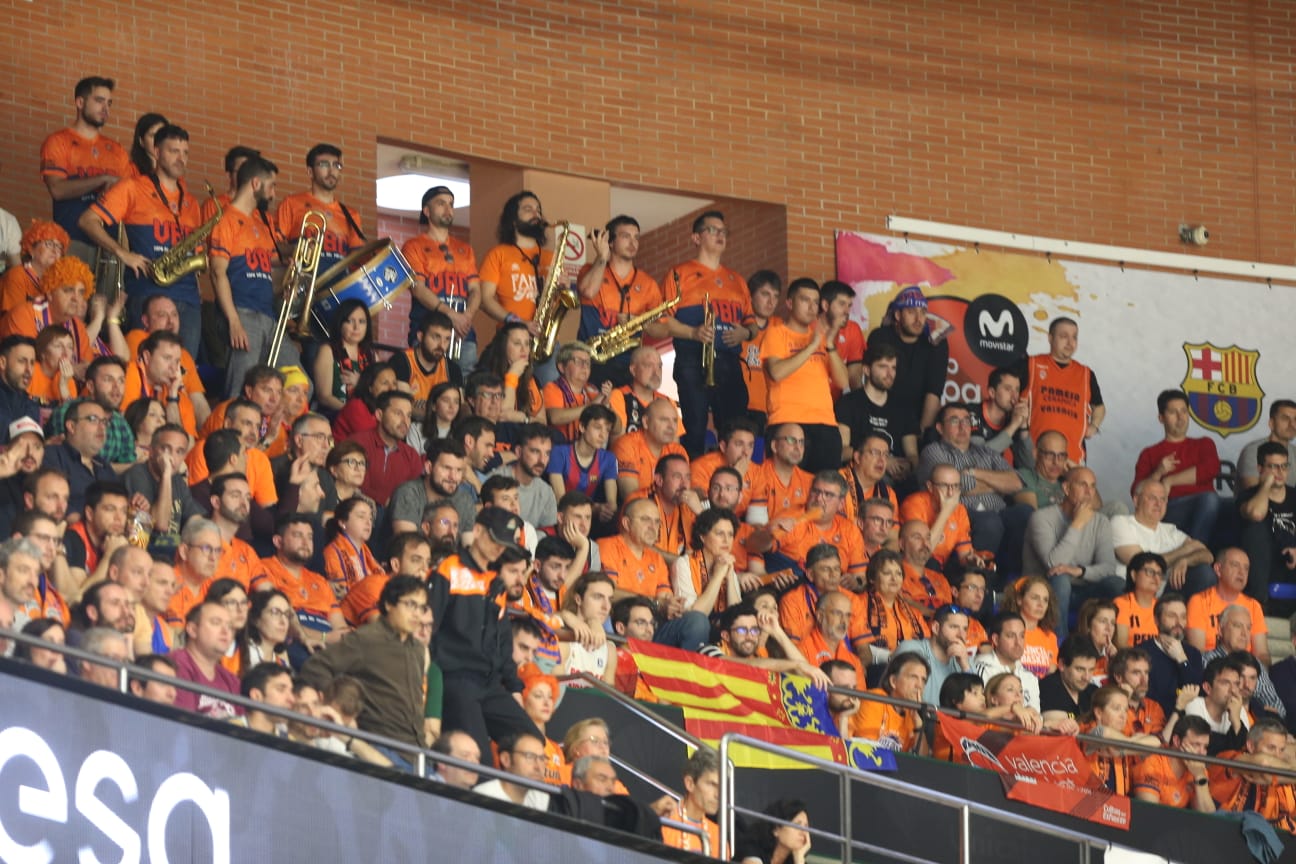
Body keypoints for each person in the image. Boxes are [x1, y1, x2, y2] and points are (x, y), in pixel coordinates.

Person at [78, 124, 204, 357]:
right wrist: (122, 253)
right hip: (147, 293)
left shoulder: (192, 203)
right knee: (144, 364)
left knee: (185, 374)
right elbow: (87, 220)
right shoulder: (132, 188)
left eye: (185, 152)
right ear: (156, 152)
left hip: (188, 300)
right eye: (173, 151)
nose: (181, 158)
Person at [429, 508, 544, 761]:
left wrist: (513, 687)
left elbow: (503, 642)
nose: (498, 548)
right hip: (456, 679)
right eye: (494, 540)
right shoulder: (449, 570)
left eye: (503, 544)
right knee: (480, 761)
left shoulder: (495, 581)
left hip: (489, 683)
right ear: (478, 531)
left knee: (533, 743)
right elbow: (428, 628)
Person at [299, 576, 431, 764]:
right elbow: (315, 667)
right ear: (389, 605)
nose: (417, 614)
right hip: (381, 748)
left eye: (422, 607)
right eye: (411, 605)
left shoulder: (418, 649)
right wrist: (341, 707)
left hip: (419, 754)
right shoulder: (367, 639)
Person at [659, 211, 757, 457]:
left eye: (723, 231)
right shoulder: (678, 274)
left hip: (729, 361)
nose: (720, 235)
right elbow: (662, 320)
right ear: (696, 238)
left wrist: (745, 332)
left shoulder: (737, 280)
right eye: (713, 230)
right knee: (694, 427)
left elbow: (753, 325)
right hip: (693, 357)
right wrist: (693, 332)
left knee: (734, 428)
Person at [210, 155, 292, 395]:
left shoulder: (260, 224)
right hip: (243, 314)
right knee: (241, 388)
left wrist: (287, 280)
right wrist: (233, 321)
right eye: (272, 186)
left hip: (269, 315)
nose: (273, 194)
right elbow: (217, 273)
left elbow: (264, 275)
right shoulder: (226, 220)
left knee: (298, 383)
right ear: (255, 184)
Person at [917, 403, 1025, 567]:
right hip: (957, 514)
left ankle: (1008, 580)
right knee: (990, 521)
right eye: (954, 421)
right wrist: (996, 484)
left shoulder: (986, 452)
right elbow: (953, 489)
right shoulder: (933, 451)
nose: (962, 426)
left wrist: (974, 473)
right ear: (939, 428)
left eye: (967, 421)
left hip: (997, 511)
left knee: (1024, 513)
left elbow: (1016, 483)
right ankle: (978, 576)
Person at [597, 497, 710, 651]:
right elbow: (609, 592)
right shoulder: (607, 546)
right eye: (645, 520)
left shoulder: (656, 558)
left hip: (652, 627)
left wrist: (670, 605)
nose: (653, 527)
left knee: (697, 621)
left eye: (657, 522)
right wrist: (655, 603)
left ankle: (681, 674)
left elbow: (664, 596)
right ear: (626, 523)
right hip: (620, 626)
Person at [1022, 466, 1123, 637]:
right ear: (1066, 488)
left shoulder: (1101, 521)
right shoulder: (1041, 517)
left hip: (1083, 589)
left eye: (1092, 486)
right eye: (1082, 485)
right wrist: (1077, 524)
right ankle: (1059, 642)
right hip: (1047, 589)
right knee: (1060, 578)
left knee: (1116, 583)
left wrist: (1079, 571)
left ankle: (1106, 643)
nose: (1089, 492)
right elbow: (1053, 564)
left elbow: (1108, 567)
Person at [761, 278, 848, 474]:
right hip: (788, 421)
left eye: (815, 302)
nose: (811, 307)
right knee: (789, 490)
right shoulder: (776, 333)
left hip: (826, 424)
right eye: (805, 300)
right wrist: (811, 346)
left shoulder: (822, 338)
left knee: (825, 492)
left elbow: (842, 382)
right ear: (790, 303)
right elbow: (776, 372)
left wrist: (830, 344)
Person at [40, 76, 133, 258]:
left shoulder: (117, 150)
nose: (105, 108)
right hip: (71, 241)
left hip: (110, 245)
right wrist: (102, 179)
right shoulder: (58, 141)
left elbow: (129, 199)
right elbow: (57, 189)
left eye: (109, 103)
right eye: (99, 101)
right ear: (80, 102)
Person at [576, 215, 670, 386]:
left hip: (629, 363)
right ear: (610, 242)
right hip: (591, 360)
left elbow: (662, 329)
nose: (633, 242)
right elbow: (588, 291)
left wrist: (638, 323)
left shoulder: (648, 283)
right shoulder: (590, 270)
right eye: (626, 236)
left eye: (636, 237)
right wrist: (602, 256)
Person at [402, 185, 480, 371]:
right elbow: (418, 289)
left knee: (463, 385)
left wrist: (466, 317)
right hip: (428, 329)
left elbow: (476, 289)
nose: (448, 209)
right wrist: (453, 315)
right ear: (427, 211)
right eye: (441, 203)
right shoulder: (413, 246)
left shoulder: (465, 249)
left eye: (451, 204)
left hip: (463, 333)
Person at [1132, 389, 1222, 545]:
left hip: (1206, 508)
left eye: (1184, 411)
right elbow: (1137, 492)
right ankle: (1194, 552)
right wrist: (1158, 473)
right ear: (1161, 418)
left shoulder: (1204, 443)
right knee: (1210, 499)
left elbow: (1212, 468)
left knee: (1238, 507)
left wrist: (1170, 480)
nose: (1180, 417)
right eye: (1173, 412)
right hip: (1171, 508)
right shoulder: (1150, 453)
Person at [865, 285, 948, 442]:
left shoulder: (936, 342)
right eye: (911, 312)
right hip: (881, 415)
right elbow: (874, 384)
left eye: (923, 313)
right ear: (897, 315)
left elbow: (934, 392)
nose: (919, 319)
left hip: (918, 419)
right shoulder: (880, 336)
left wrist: (920, 435)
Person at [258, 514, 349, 649]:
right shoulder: (263, 569)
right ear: (278, 541)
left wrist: (330, 637)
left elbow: (342, 630)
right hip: (290, 641)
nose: (306, 543)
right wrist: (325, 636)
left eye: (309, 537)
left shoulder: (320, 581)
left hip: (329, 647)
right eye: (298, 536)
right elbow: (274, 622)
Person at [1022, 316, 1105, 464]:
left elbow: (1099, 407)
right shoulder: (1031, 364)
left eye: (1074, 337)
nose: (1070, 342)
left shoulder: (1085, 373)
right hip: (1036, 457)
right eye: (1063, 336)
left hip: (1073, 459)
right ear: (1050, 338)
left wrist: (1094, 426)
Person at [1112, 480, 1215, 597]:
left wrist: (1186, 560)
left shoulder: (1170, 530)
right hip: (1133, 592)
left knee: (1203, 572)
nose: (1158, 504)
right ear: (1136, 501)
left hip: (1168, 593)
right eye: (1152, 498)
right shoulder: (1121, 522)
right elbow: (1142, 564)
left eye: (1163, 499)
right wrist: (1184, 551)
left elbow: (1208, 556)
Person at [274, 143, 364, 276]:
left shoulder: (351, 215)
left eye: (336, 165)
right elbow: (274, 246)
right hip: (303, 283)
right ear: (310, 172)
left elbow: (358, 258)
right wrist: (299, 250)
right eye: (324, 164)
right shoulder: (292, 203)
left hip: (338, 288)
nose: (332, 170)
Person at [122, 295, 211, 427]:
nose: (171, 321)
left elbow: (198, 402)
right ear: (146, 321)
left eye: (175, 315)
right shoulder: (138, 338)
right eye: (162, 315)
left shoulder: (184, 355)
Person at [477, 191, 553, 338]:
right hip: (511, 336)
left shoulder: (551, 258)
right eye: (528, 209)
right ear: (513, 219)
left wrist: (562, 289)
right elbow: (485, 299)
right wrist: (519, 322)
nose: (536, 214)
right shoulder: (498, 254)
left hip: (546, 339)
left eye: (538, 210)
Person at [46, 356, 135, 468]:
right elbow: (72, 463)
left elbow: (129, 467)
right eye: (108, 379)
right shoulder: (68, 412)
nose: (116, 387)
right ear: (90, 386)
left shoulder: (120, 423)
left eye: (121, 380)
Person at [898, 463, 982, 574]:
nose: (951, 493)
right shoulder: (914, 504)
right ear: (930, 487)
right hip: (916, 565)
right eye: (944, 486)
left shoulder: (959, 510)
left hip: (944, 566)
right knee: (932, 563)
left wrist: (970, 560)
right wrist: (945, 512)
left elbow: (964, 554)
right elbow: (922, 553)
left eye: (956, 486)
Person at [1238, 441, 1296, 602]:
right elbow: (1256, 514)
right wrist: (1267, 484)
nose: (1280, 472)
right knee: (1255, 530)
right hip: (1265, 563)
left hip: (1291, 561)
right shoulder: (1249, 496)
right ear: (1260, 469)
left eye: (1284, 466)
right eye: (1273, 467)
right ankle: (1259, 606)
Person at [1186, 547, 1269, 659]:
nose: (1241, 572)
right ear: (1218, 569)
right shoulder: (1199, 601)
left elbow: (1262, 654)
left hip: (1245, 668)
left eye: (1246, 568)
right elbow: (1197, 653)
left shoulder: (1254, 606)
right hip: (1211, 667)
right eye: (1235, 565)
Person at [1078, 686, 1161, 794]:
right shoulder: (1087, 731)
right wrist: (1127, 744)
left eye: (1126, 710)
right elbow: (1103, 733)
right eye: (1116, 709)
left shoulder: (1125, 735)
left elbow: (1156, 743)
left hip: (1117, 807)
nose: (1123, 715)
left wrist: (1122, 750)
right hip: (1086, 803)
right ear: (1098, 712)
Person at [42, 398, 117, 514]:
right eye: (93, 420)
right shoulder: (52, 456)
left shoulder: (105, 467)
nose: (102, 427)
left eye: (104, 422)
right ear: (72, 426)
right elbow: (49, 503)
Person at [546, 404, 618, 523]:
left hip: (590, 519)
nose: (603, 435)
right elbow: (561, 500)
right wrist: (595, 509)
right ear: (582, 427)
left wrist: (607, 510)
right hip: (560, 518)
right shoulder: (559, 453)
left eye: (607, 430)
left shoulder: (609, 458)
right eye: (597, 427)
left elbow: (612, 503)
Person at [122, 331, 199, 438]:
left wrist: (172, 397)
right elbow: (125, 425)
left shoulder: (175, 389)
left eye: (177, 361)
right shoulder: (129, 373)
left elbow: (183, 443)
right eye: (167, 358)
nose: (173, 367)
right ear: (147, 357)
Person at [349, 390, 421, 505]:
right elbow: (353, 486)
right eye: (398, 413)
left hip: (397, 517)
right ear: (379, 415)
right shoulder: (358, 443)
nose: (405, 421)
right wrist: (385, 501)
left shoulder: (411, 456)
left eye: (409, 415)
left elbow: (413, 496)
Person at [171, 601, 241, 719]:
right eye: (216, 623)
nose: (226, 631)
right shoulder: (176, 665)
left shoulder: (231, 680)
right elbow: (184, 724)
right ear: (193, 630)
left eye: (230, 626)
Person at [853, 651, 930, 753]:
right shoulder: (875, 699)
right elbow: (866, 750)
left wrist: (918, 723)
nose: (919, 685)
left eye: (923, 680)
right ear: (893, 681)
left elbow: (922, 762)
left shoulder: (912, 715)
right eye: (913, 677)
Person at [389, 312, 462, 421]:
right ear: (420, 336)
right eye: (436, 337)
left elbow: (460, 405)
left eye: (447, 339)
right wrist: (440, 414)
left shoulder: (452, 369)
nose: (441, 345)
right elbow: (404, 407)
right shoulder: (401, 362)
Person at [671, 507, 744, 616]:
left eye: (730, 534)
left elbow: (738, 617)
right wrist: (718, 576)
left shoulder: (727, 565)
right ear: (702, 537)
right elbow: (693, 616)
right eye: (720, 533)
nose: (726, 540)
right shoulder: (684, 564)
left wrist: (730, 579)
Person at [897, 604, 974, 705]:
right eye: (954, 627)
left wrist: (965, 666)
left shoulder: (965, 661)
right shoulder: (912, 650)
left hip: (947, 720)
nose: (961, 635)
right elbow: (906, 698)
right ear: (936, 628)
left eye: (965, 629)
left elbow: (975, 707)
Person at [612, 397, 687, 500]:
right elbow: (632, 497)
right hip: (640, 513)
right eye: (664, 420)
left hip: (670, 513)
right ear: (646, 422)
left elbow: (685, 494)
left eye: (674, 421)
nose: (671, 426)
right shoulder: (627, 445)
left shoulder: (678, 451)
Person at [390, 437, 467, 536]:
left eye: (459, 470)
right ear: (428, 467)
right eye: (447, 468)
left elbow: (469, 546)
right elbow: (410, 547)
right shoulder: (408, 493)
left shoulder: (463, 499)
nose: (453, 477)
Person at [314, 300, 377, 416]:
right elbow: (324, 396)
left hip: (367, 417)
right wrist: (352, 413)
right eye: (350, 321)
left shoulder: (372, 355)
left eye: (362, 322)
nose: (356, 327)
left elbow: (380, 392)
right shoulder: (328, 351)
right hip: (335, 415)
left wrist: (361, 383)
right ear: (340, 323)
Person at [541, 342, 610, 444]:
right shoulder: (552, 388)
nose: (584, 366)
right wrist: (592, 406)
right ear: (561, 367)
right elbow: (555, 418)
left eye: (587, 362)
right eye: (578, 361)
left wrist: (606, 405)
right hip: (559, 448)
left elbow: (616, 429)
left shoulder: (593, 391)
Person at [557, 572, 618, 686]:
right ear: (578, 599)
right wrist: (564, 614)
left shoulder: (610, 650)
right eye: (598, 597)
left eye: (610, 600)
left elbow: (607, 699)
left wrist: (593, 621)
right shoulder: (563, 638)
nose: (606, 606)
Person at [477, 322, 544, 425]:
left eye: (527, 344)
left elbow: (543, 422)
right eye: (517, 343)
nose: (524, 350)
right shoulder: (486, 375)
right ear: (503, 347)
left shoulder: (532, 379)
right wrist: (512, 375)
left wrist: (522, 418)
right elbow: (503, 417)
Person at [608, 345, 681, 439]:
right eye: (649, 365)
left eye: (659, 366)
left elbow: (675, 446)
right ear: (633, 370)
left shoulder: (667, 402)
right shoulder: (619, 396)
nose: (656, 372)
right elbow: (618, 443)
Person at [661, 749, 723, 857]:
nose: (718, 795)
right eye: (712, 784)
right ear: (690, 784)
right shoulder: (665, 823)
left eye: (721, 787)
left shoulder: (718, 835)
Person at [973, 612, 1041, 710]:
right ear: (996, 640)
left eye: (1022, 636)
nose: (1018, 642)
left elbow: (1036, 715)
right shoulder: (981, 668)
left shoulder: (1030, 676)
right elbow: (979, 714)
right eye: (1011, 636)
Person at [472, 730, 553, 811]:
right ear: (506, 759)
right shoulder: (484, 796)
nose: (538, 767)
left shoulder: (540, 798)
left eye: (542, 759)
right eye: (530, 757)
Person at [0, 220, 68, 315]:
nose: (55, 250)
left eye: (59, 246)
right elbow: (14, 320)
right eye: (49, 243)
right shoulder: (17, 276)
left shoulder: (59, 283)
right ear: (31, 249)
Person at [969, 366, 1032, 467]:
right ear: (992, 393)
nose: (1014, 396)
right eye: (1008, 389)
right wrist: (1013, 426)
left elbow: (1028, 465)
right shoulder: (973, 412)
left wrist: (1023, 426)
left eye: (1017, 390)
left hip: (994, 477)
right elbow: (979, 458)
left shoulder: (1012, 418)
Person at [1186, 655, 1250, 754]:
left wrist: (1236, 721)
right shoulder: (1194, 705)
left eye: (1236, 684)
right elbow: (1206, 747)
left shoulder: (1239, 710)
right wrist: (1233, 736)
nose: (1233, 690)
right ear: (1207, 688)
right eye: (1225, 683)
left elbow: (1244, 750)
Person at [1003, 575, 1060, 679]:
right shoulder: (1006, 631)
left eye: (1045, 600)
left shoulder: (1050, 637)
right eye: (1035, 598)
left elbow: (1053, 670)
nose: (1041, 604)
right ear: (1019, 599)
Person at [896, 520, 953, 615]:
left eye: (928, 538)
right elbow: (901, 606)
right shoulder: (894, 575)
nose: (925, 544)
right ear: (901, 544)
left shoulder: (941, 579)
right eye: (917, 538)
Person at [1039, 634, 1100, 722]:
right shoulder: (1047, 688)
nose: (1086, 677)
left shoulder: (1094, 692)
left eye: (1091, 670)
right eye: (1080, 669)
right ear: (1062, 664)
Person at [1238, 400, 1296, 490]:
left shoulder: (1294, 452)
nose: (1292, 425)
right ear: (1271, 424)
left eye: (1295, 419)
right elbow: (1253, 493)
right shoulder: (1253, 451)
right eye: (1285, 419)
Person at [131, 559, 177, 658]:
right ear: (144, 583)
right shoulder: (126, 617)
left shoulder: (168, 631)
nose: (170, 591)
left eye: (173, 585)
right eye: (162, 583)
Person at [241, 587, 292, 669]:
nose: (283, 621)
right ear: (256, 619)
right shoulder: (239, 654)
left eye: (286, 614)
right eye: (275, 612)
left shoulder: (283, 666)